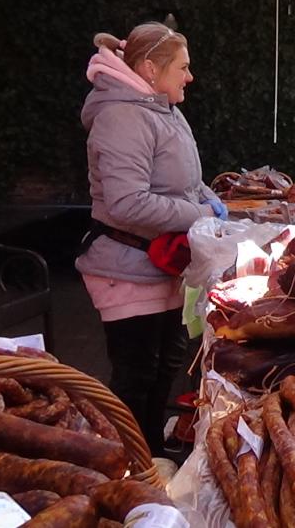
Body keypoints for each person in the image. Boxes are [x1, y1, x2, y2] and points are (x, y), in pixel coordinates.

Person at [76, 22, 227, 457]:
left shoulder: (163, 109)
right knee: (137, 375)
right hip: (124, 268)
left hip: (160, 268)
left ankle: (153, 455)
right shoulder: (121, 117)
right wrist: (200, 214)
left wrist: (214, 204)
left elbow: (189, 183)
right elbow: (126, 203)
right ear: (148, 68)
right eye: (183, 66)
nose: (189, 76)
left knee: (165, 367)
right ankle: (130, 464)